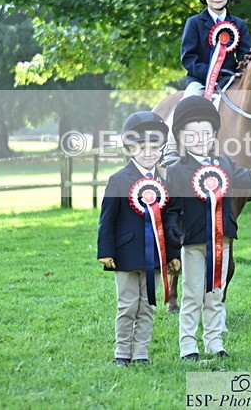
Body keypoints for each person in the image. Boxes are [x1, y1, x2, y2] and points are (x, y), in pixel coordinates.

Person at [162, 96, 251, 361]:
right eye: (191, 135)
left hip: (221, 241)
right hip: (192, 242)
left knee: (215, 294)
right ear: (180, 137)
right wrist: (172, 231)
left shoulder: (225, 164)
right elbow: (171, 209)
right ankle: (188, 345)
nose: (199, 139)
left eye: (205, 134)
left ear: (214, 134)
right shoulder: (178, 170)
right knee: (192, 294)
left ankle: (214, 341)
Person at [97, 111, 181, 367]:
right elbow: (107, 219)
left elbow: (170, 221)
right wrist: (105, 250)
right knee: (127, 305)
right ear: (129, 148)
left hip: (155, 257)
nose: (148, 153)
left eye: (154, 147)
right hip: (124, 255)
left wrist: (174, 254)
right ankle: (122, 352)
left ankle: (141, 352)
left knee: (147, 305)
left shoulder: (165, 182)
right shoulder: (118, 180)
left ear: (162, 149)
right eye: (141, 147)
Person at [180, 0, 251, 98]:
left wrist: (236, 73)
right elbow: (188, 58)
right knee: (189, 101)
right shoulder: (194, 23)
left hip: (231, 80)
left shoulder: (240, 24)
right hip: (200, 81)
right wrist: (212, 72)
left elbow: (246, 57)